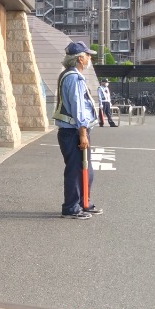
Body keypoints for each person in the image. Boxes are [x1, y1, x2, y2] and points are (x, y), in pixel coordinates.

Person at [52, 41, 102, 219]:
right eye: (88, 55)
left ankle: (83, 203)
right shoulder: (74, 78)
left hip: (73, 130)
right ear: (80, 59)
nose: (90, 58)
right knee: (75, 170)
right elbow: (78, 107)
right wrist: (82, 133)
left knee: (84, 169)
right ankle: (71, 207)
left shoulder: (69, 75)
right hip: (73, 131)